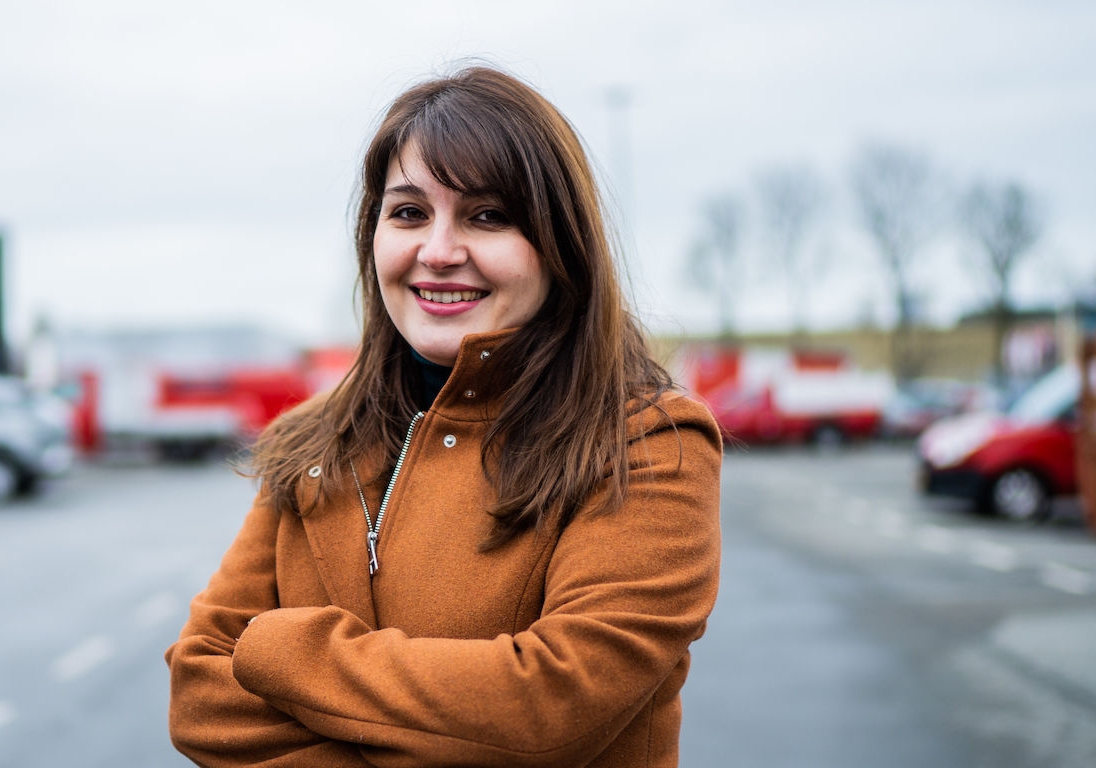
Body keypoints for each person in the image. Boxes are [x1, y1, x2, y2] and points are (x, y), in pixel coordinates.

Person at [166, 66, 722, 768]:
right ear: (372, 236)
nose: (438, 252)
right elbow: (199, 697)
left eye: (488, 216)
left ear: (561, 243)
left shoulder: (647, 443)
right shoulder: (309, 442)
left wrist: (280, 652)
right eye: (409, 213)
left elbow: (549, 710)